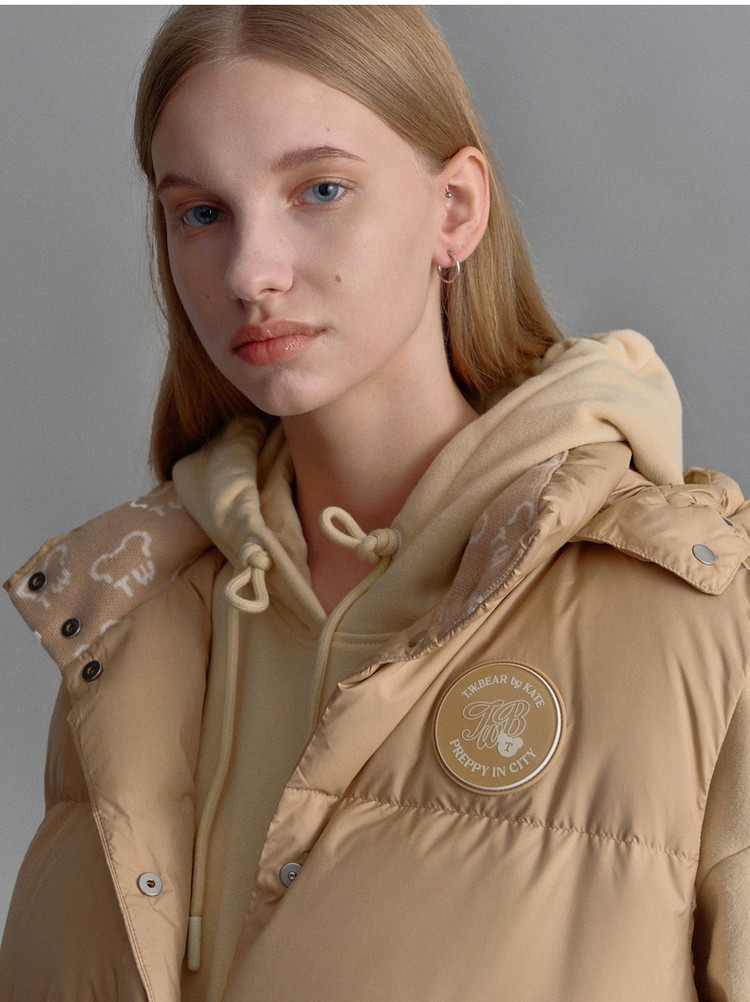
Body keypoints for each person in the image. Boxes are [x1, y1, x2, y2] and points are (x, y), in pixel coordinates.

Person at [1, 6, 748, 1001]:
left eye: (320, 189)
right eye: (201, 213)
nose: (251, 273)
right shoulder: (120, 631)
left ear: (455, 210)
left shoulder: (705, 623)